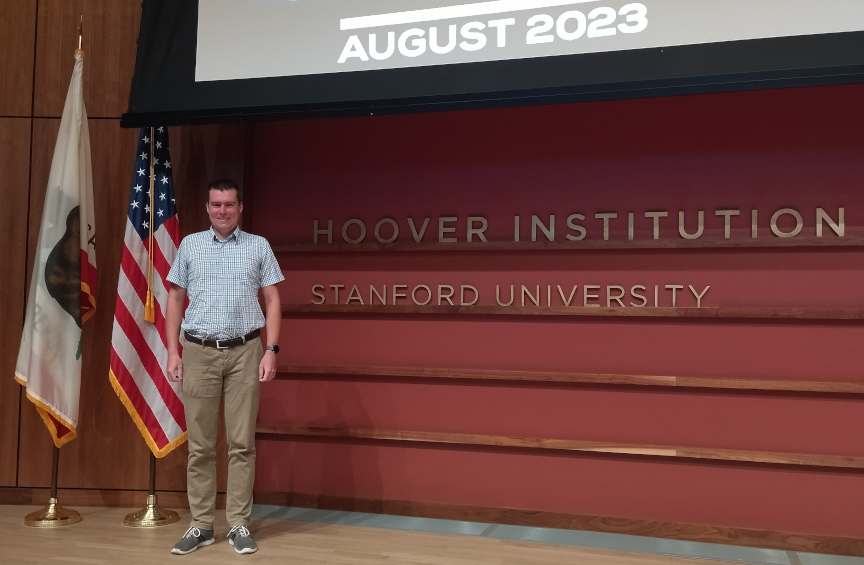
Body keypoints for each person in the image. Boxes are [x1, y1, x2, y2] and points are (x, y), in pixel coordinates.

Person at [164, 179, 284, 555]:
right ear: (207, 207)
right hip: (197, 351)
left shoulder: (258, 246)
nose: (222, 211)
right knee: (200, 446)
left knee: (241, 443)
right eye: (216, 205)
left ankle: (238, 524)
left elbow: (273, 300)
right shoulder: (190, 246)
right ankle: (200, 525)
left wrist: (272, 350)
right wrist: (172, 351)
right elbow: (174, 297)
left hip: (246, 351)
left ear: (240, 207)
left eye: (229, 205)